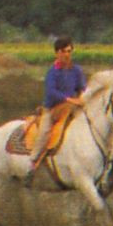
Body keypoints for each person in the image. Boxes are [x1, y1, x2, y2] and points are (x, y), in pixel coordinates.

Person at [23, 36, 87, 185]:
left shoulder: (76, 70)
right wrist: (69, 99)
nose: (67, 54)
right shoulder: (53, 72)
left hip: (71, 107)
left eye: (69, 51)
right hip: (52, 109)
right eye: (64, 51)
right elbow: (51, 92)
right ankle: (32, 163)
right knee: (44, 132)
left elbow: (82, 86)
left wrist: (83, 96)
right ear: (57, 53)